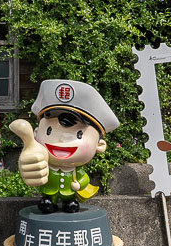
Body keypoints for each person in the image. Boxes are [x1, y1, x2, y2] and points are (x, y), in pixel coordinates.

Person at [9, 80, 119, 214]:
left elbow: (84, 178)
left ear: (99, 145)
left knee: (71, 205)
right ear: (36, 133)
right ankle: (50, 201)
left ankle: (69, 202)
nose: (61, 140)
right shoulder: (46, 164)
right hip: (50, 190)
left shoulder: (76, 170)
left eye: (79, 134)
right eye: (49, 131)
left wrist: (79, 184)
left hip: (69, 192)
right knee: (46, 204)